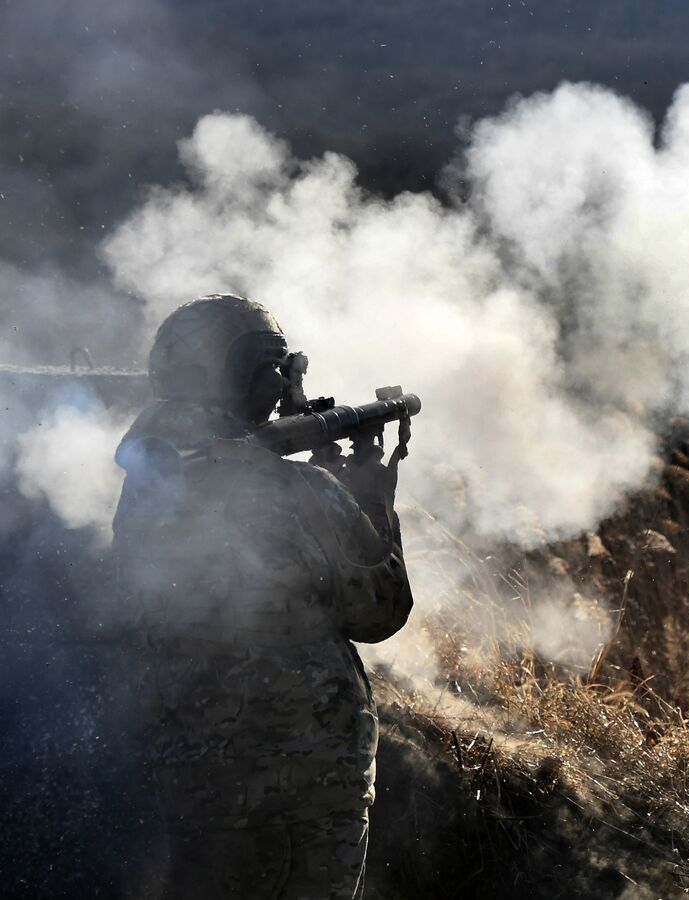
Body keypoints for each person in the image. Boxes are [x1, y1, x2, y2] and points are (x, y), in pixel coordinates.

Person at [113, 294, 413, 899]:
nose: (280, 383)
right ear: (233, 375)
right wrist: (369, 491)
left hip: (195, 775)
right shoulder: (299, 488)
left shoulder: (148, 487)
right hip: (306, 778)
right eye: (271, 366)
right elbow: (380, 610)